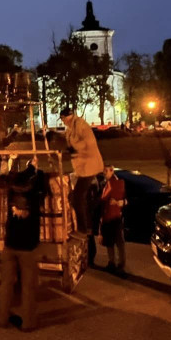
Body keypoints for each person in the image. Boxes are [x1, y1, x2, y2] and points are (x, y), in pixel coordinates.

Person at [0, 159, 45, 331]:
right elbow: (44, 187)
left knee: (6, 284)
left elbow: (6, 176)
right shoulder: (36, 187)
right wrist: (35, 168)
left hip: (10, 243)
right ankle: (28, 322)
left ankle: (2, 318)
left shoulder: (11, 186)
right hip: (28, 245)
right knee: (28, 286)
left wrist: (28, 167)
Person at [60, 107, 104, 266]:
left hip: (89, 166)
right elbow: (71, 143)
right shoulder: (72, 128)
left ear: (68, 117)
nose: (63, 122)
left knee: (78, 197)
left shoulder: (81, 125)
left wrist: (74, 149)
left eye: (63, 119)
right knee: (74, 197)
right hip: (82, 168)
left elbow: (88, 143)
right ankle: (80, 225)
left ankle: (83, 229)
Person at [99, 165, 126, 276]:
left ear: (112, 170)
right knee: (109, 242)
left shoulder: (118, 183)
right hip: (107, 217)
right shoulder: (107, 183)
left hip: (115, 217)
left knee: (119, 243)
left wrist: (123, 202)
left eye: (106, 170)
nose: (104, 173)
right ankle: (112, 263)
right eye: (104, 171)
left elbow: (104, 199)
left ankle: (121, 266)